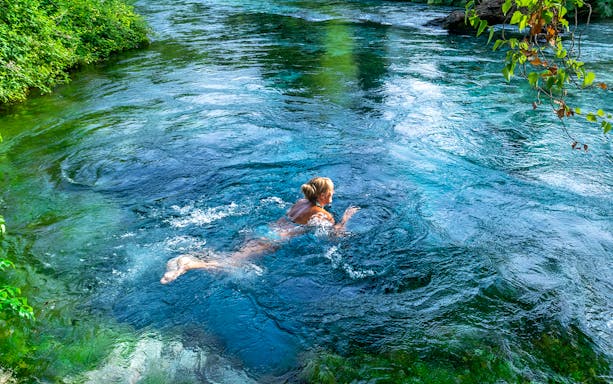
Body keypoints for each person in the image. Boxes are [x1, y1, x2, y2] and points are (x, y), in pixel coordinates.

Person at [160, 177, 359, 284]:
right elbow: (334, 236)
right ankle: (188, 266)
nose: (333, 194)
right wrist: (345, 219)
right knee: (235, 263)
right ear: (324, 194)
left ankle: (186, 258)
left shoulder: (300, 202)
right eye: (331, 192)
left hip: (264, 230)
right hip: (275, 238)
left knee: (235, 255)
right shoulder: (323, 214)